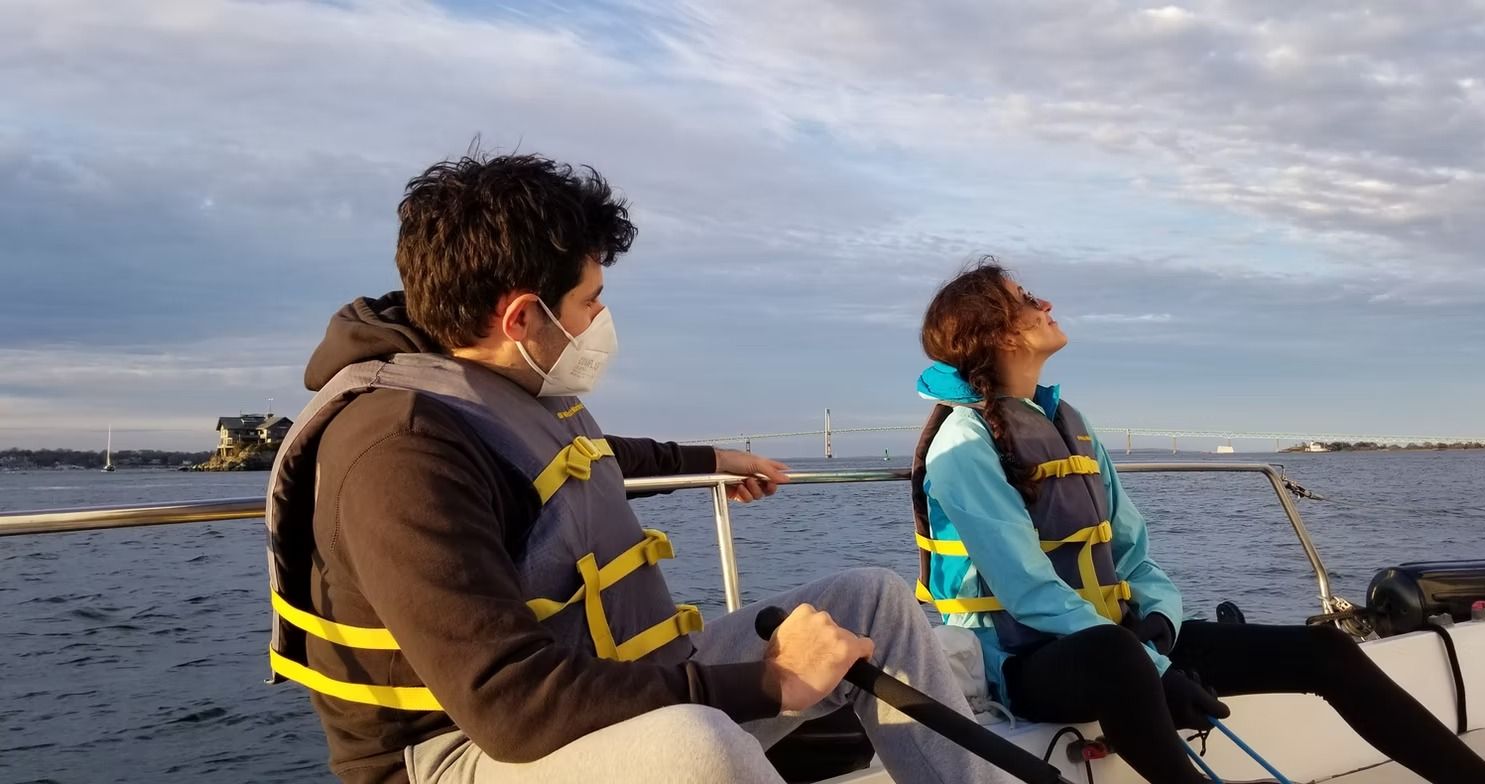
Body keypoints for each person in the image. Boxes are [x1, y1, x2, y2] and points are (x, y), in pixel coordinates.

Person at [264, 153, 1009, 784]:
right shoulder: (396, 451)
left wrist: (712, 461)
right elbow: (511, 706)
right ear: (522, 318)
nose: (598, 321)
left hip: (593, 686)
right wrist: (767, 683)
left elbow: (579, 459)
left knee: (870, 601)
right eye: (590, 301)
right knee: (700, 749)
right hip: (458, 753)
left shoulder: (492, 392)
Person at [909, 260, 1485, 784]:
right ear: (996, 335)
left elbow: (1133, 553)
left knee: (1324, 650)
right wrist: (1154, 667)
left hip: (1121, 640)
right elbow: (1028, 592)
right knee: (1117, 660)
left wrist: (1161, 625)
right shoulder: (963, 444)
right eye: (1024, 301)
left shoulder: (1070, 419)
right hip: (1025, 667)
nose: (1045, 304)